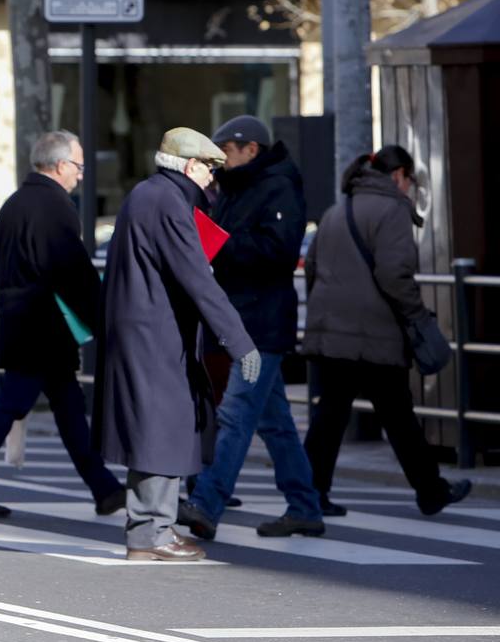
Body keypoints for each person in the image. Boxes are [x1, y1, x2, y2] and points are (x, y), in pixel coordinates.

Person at [97, 128, 260, 562]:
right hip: (156, 333)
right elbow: (197, 279)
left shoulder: (148, 194)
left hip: (143, 329)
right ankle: (153, 534)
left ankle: (152, 530)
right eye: (208, 167)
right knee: (162, 431)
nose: (211, 177)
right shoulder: (170, 202)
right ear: (190, 166)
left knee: (159, 428)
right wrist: (241, 341)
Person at [0, 130, 124, 520]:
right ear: (60, 166)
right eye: (78, 166)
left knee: (68, 407)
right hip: (42, 329)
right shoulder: (55, 207)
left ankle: (105, 489)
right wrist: (106, 318)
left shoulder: (15, 204)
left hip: (25, 324)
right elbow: (72, 272)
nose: (80, 175)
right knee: (13, 403)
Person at [301, 145, 472, 517]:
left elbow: (312, 267)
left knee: (329, 417)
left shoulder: (335, 211)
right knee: (399, 417)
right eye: (409, 180)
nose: (409, 189)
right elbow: (393, 274)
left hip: (333, 334)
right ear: (399, 176)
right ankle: (430, 491)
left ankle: (311, 494)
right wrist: (415, 315)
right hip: (374, 334)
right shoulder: (392, 210)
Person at [179, 116, 322, 540]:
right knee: (274, 421)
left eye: (228, 150)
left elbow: (278, 252)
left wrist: (219, 244)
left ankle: (207, 502)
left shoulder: (277, 186)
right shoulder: (235, 189)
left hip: (261, 320)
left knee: (237, 413)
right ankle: (305, 506)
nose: (221, 160)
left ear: (251, 149)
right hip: (243, 316)